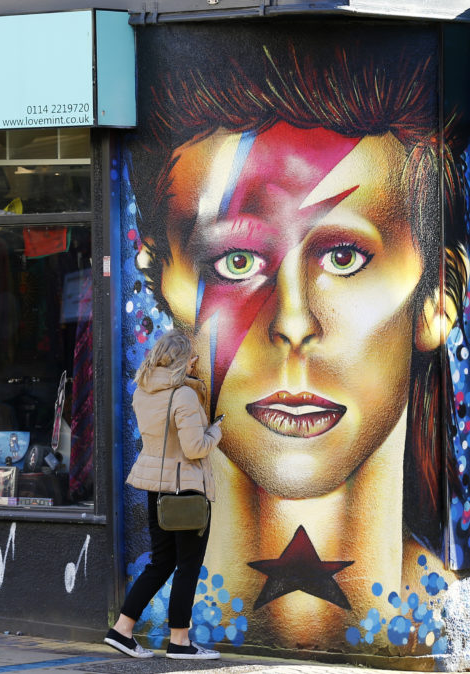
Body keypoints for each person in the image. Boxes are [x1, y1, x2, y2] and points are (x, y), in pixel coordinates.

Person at [128, 28, 468, 648]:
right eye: (234, 262)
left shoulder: (453, 623)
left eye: (342, 256)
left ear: (438, 299)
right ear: (163, 284)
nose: (291, 320)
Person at [106, 330, 222, 660]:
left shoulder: (143, 391)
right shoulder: (182, 395)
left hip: (156, 489)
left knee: (161, 563)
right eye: (192, 359)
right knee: (187, 565)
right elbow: (194, 447)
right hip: (185, 490)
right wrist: (215, 431)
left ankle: (122, 629)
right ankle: (180, 642)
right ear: (183, 360)